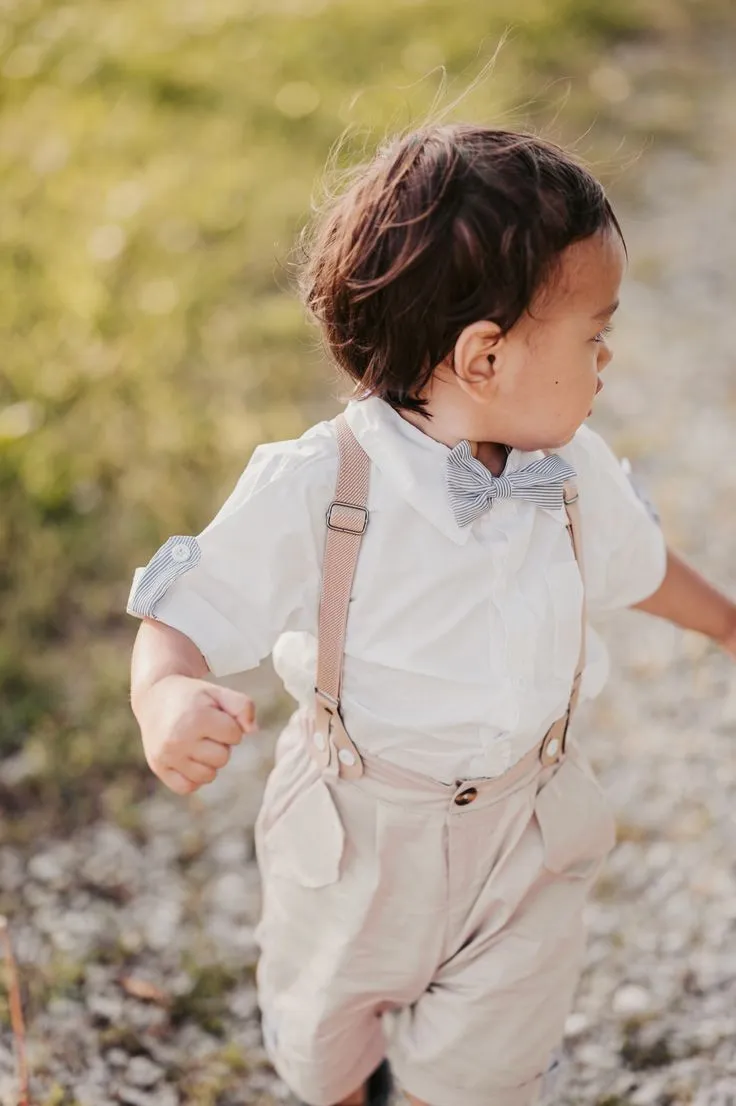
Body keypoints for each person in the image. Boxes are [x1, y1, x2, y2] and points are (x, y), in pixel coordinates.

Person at [126, 125, 736, 1106]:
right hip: (358, 828)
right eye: (592, 333)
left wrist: (725, 621)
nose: (608, 356)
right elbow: (184, 606)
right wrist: (166, 695)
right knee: (326, 1037)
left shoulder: (572, 473)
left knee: (482, 1067)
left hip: (526, 823)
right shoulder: (320, 484)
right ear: (483, 357)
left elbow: (636, 565)